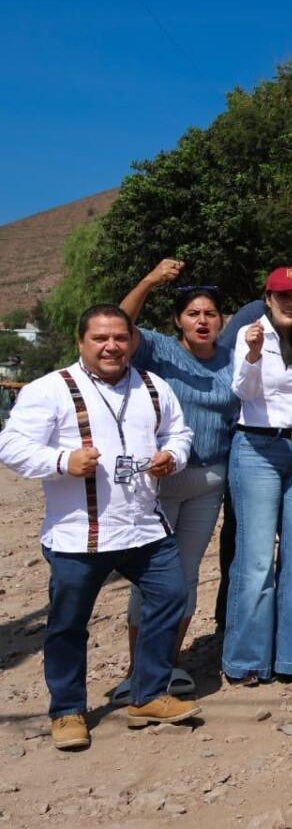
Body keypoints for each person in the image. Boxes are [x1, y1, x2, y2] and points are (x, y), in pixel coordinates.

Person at [0, 305, 199, 750]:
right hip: (79, 533)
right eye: (101, 339)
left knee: (171, 596)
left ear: (131, 342)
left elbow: (179, 434)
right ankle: (68, 710)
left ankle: (148, 694)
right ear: (81, 342)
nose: (111, 346)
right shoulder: (51, 389)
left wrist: (173, 456)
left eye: (120, 338)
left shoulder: (152, 386)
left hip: (144, 527)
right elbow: (10, 446)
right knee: (69, 623)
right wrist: (61, 461)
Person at [111, 259, 240, 704]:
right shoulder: (161, 351)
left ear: (221, 319)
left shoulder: (233, 358)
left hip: (209, 481)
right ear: (177, 321)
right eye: (193, 313)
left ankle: (169, 662)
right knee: (150, 578)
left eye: (210, 313)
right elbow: (118, 327)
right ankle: (136, 669)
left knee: (184, 576)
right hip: (161, 481)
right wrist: (148, 279)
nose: (202, 320)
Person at [222, 267, 292, 684]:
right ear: (267, 297)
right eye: (282, 295)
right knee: (257, 560)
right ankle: (246, 661)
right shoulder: (251, 333)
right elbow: (242, 392)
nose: (290, 303)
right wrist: (253, 355)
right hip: (258, 450)